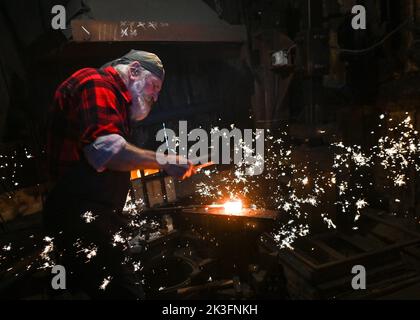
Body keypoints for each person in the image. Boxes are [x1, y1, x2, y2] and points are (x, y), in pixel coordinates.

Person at [44, 50, 195, 299]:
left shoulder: (114, 102)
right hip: (80, 220)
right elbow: (105, 152)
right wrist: (165, 161)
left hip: (87, 218)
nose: (156, 96)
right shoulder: (95, 82)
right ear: (134, 70)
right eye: (154, 86)